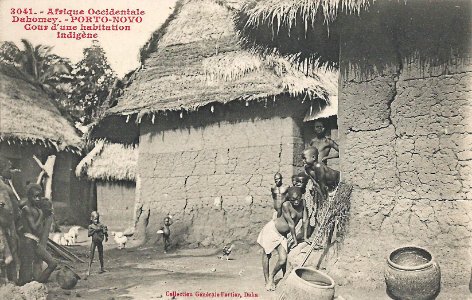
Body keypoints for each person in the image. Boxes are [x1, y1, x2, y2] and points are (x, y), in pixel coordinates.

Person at [257, 186, 307, 291]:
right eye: (293, 199)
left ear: (301, 196)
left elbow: (305, 220)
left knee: (282, 259)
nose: (296, 201)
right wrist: (295, 240)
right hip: (272, 230)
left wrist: (306, 237)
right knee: (267, 254)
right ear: (289, 199)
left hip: (282, 235)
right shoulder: (286, 205)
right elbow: (291, 224)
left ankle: (272, 275)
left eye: (297, 198)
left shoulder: (303, 203)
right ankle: (268, 280)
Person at [17, 183, 57, 285]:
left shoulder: (37, 208)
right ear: (30, 197)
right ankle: (26, 288)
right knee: (25, 272)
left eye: (39, 196)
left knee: (53, 264)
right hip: (27, 241)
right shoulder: (26, 209)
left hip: (35, 242)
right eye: (35, 196)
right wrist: (42, 215)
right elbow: (34, 228)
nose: (38, 199)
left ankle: (36, 285)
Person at [302, 147, 340, 241]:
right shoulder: (308, 168)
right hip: (328, 187)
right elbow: (315, 183)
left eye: (304, 158)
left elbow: (323, 185)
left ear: (313, 157)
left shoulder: (319, 166)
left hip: (337, 182)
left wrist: (326, 200)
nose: (303, 160)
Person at [0, 157, 20, 283]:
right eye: (8, 168)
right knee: (4, 253)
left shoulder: (5, 183)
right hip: (1, 224)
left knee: (13, 249)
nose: (11, 171)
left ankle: (12, 282)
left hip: (10, 223)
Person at [87, 211, 108, 276]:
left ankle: (102, 268)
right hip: (94, 242)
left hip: (99, 242)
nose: (96, 221)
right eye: (95, 219)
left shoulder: (101, 225)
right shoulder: (91, 226)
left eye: (97, 219)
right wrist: (95, 230)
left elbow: (105, 231)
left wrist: (106, 236)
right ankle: (89, 270)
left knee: (101, 255)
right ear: (91, 219)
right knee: (91, 255)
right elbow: (89, 234)